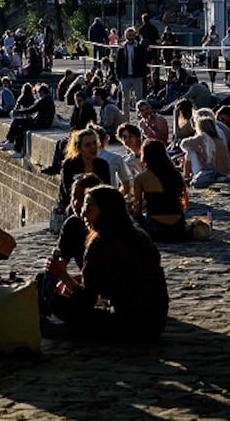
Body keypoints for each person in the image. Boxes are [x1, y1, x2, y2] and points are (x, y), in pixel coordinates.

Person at [40, 185, 169, 340]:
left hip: (129, 324)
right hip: (156, 323)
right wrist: (79, 278)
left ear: (106, 210)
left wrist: (62, 275)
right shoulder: (139, 236)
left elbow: (87, 299)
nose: (83, 212)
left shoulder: (100, 243)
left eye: (89, 207)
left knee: (53, 297)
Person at [133, 139, 188, 241]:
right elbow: (184, 202)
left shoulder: (141, 178)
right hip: (178, 227)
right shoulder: (175, 174)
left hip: (155, 227)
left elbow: (137, 209)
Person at [54, 173, 105, 269]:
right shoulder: (73, 224)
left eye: (83, 198)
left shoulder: (111, 228)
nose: (76, 203)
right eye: (74, 197)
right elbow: (62, 258)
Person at [55, 128, 110, 213]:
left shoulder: (102, 165)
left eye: (94, 143)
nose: (93, 147)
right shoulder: (69, 164)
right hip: (73, 202)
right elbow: (67, 190)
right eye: (88, 145)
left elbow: (107, 188)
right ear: (79, 148)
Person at [0, 83, 56, 158]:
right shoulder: (48, 99)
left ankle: (18, 150)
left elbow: (31, 110)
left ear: (42, 92)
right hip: (41, 121)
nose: (37, 94)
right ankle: (10, 141)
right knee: (17, 121)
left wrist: (17, 111)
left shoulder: (43, 100)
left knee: (21, 128)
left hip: (41, 123)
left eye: (38, 92)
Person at [115, 27, 149, 117]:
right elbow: (118, 63)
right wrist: (118, 76)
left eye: (132, 35)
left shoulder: (140, 47)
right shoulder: (121, 48)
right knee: (125, 100)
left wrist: (143, 75)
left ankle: (140, 119)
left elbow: (144, 62)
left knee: (139, 99)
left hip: (137, 76)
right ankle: (125, 119)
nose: (130, 36)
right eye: (129, 35)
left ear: (135, 35)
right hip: (125, 77)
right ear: (126, 36)